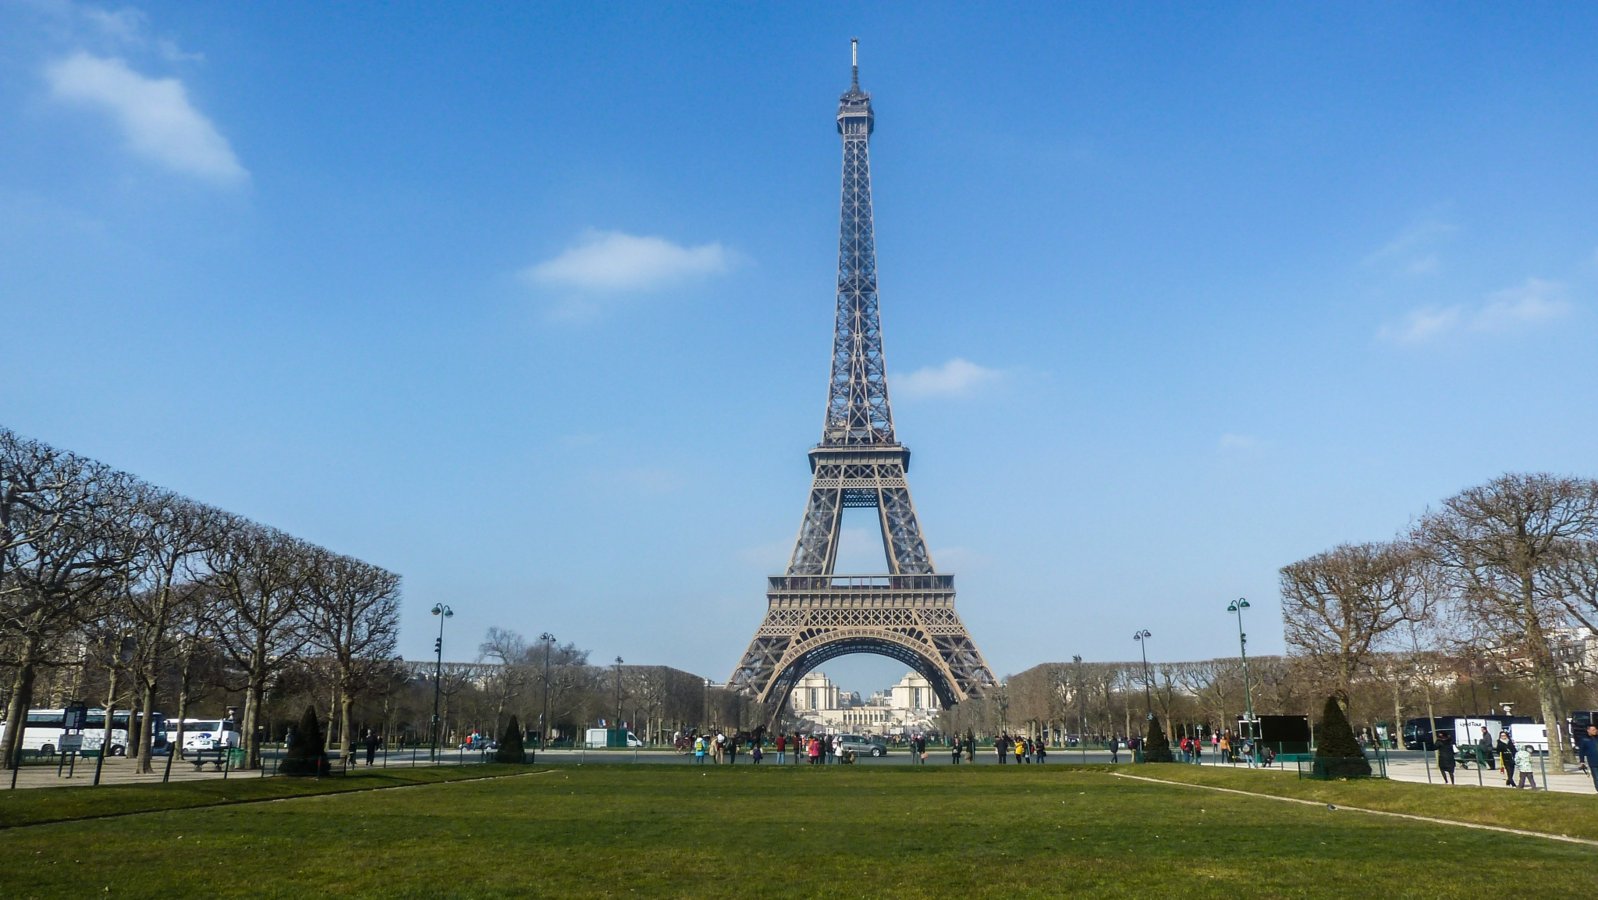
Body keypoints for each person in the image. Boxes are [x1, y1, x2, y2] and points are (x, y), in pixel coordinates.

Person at [1579, 725, 1598, 792]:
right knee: (1596, 778)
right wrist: (1582, 761)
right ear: (1588, 730)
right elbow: (1581, 751)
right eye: (1593, 730)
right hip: (1593, 762)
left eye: (1595, 730)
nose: (1595, 731)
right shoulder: (1584, 739)